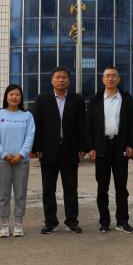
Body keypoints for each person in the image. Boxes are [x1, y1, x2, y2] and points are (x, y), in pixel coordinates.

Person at [85, 66, 133, 233]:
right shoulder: (95, 99)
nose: (110, 78)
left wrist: (132, 145)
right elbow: (88, 126)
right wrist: (90, 147)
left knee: (121, 188)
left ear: (118, 79)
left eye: (113, 76)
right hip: (101, 147)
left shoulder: (126, 98)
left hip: (120, 146)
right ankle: (104, 222)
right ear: (102, 79)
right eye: (107, 76)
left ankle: (122, 221)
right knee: (102, 188)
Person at [31, 66, 86, 234]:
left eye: (64, 77)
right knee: (48, 188)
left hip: (71, 150)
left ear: (69, 80)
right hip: (48, 150)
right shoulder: (42, 99)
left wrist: (82, 147)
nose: (61, 80)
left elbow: (82, 125)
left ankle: (72, 221)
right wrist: (37, 147)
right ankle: (51, 222)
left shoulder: (77, 99)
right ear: (52, 80)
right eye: (58, 77)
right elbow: (37, 124)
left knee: (71, 188)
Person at [0, 84, 35, 238]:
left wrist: (21, 155)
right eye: (11, 94)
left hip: (21, 161)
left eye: (17, 95)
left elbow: (30, 137)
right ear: (6, 97)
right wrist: (3, 154)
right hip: (2, 161)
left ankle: (18, 224)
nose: (14, 97)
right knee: (4, 194)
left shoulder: (27, 116)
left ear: (21, 98)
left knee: (20, 194)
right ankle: (4, 225)